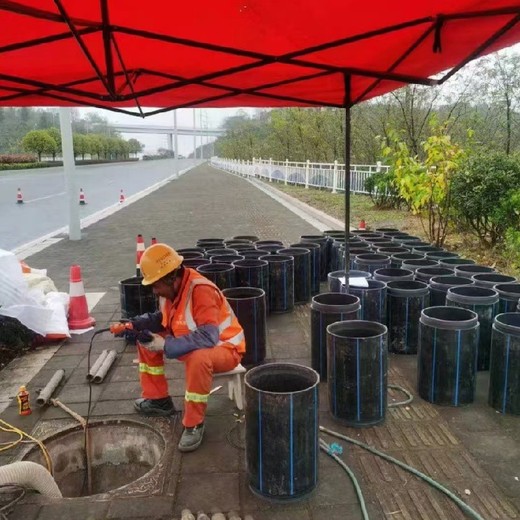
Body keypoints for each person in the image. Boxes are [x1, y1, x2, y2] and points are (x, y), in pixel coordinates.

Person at [120, 243, 245, 452]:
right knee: (146, 340)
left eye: (156, 285)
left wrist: (167, 344)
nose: (154, 290)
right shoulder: (171, 291)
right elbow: (165, 318)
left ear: (170, 277)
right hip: (193, 342)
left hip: (225, 348)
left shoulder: (200, 290)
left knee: (198, 359)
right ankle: (158, 400)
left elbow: (208, 337)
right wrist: (138, 324)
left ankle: (194, 423)